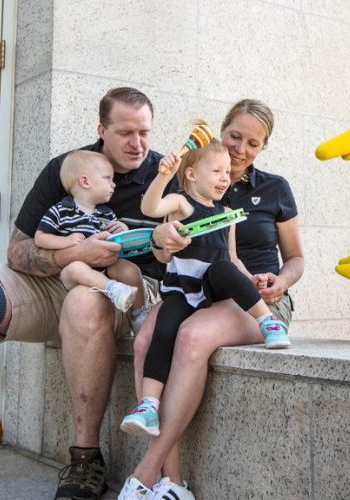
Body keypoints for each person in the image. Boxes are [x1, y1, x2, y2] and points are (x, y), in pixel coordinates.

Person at [0, 87, 174, 500]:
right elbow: (19, 250)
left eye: (144, 131)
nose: (138, 143)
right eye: (125, 132)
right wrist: (76, 252)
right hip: (61, 273)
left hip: (126, 288)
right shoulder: (68, 168)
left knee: (83, 301)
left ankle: (86, 459)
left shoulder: (164, 174)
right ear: (101, 130)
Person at [118, 99, 304, 500]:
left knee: (192, 337)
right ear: (221, 132)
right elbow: (164, 246)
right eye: (234, 136)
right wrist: (160, 240)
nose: (240, 149)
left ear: (263, 148)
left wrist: (280, 283)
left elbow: (297, 260)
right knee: (146, 341)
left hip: (253, 297)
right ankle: (173, 482)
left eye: (252, 143)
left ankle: (147, 472)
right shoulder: (190, 182)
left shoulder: (275, 189)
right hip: (192, 290)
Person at [120, 138, 290, 440]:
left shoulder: (227, 213)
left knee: (225, 267)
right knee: (163, 330)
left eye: (227, 172)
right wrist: (163, 175)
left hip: (213, 287)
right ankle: (148, 404)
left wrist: (251, 280)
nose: (225, 178)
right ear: (192, 175)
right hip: (182, 290)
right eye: (217, 171)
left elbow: (234, 260)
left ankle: (268, 321)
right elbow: (150, 206)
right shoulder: (181, 202)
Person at [34, 150, 149, 327]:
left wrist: (122, 229)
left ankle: (139, 314)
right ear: (85, 181)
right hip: (72, 275)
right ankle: (114, 289)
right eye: (107, 178)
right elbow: (40, 238)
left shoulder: (106, 212)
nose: (113, 185)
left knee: (130, 269)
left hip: (104, 266)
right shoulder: (61, 210)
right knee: (76, 267)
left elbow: (116, 240)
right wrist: (66, 242)